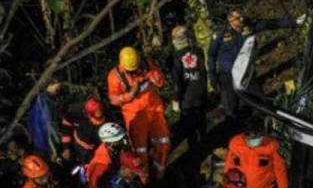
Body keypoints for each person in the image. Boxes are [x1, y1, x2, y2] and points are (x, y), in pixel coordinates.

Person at [208, 9, 301, 121]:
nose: (241, 19)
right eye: (238, 18)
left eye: (242, 16)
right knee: (231, 107)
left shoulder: (249, 27)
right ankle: (233, 130)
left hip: (246, 73)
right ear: (230, 19)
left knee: (260, 101)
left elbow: (270, 24)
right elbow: (211, 56)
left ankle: (260, 124)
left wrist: (295, 22)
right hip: (227, 74)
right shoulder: (220, 33)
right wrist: (213, 77)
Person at [107, 46, 170, 179]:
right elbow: (113, 99)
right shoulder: (114, 76)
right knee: (139, 152)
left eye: (136, 68)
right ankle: (143, 180)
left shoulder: (147, 64)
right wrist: (129, 95)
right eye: (131, 70)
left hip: (154, 110)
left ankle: (160, 173)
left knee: (163, 143)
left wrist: (156, 77)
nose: (135, 71)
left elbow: (161, 83)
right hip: (134, 115)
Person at [170, 25, 207, 153]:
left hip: (187, 97)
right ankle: (204, 142)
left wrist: (175, 99)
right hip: (200, 93)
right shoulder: (199, 51)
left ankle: (194, 149)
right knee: (201, 120)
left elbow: (177, 81)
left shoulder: (177, 56)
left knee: (189, 124)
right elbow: (203, 73)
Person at [60, 96, 106, 165]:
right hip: (78, 148)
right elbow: (66, 127)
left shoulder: (106, 115)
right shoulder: (75, 113)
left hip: (98, 148)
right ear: (87, 114)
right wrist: (66, 147)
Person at [27, 77, 62, 160]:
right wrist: (51, 150)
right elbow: (46, 126)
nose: (59, 89)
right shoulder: (44, 101)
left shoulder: (44, 99)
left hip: (39, 142)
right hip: (43, 144)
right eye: (57, 87)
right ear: (50, 85)